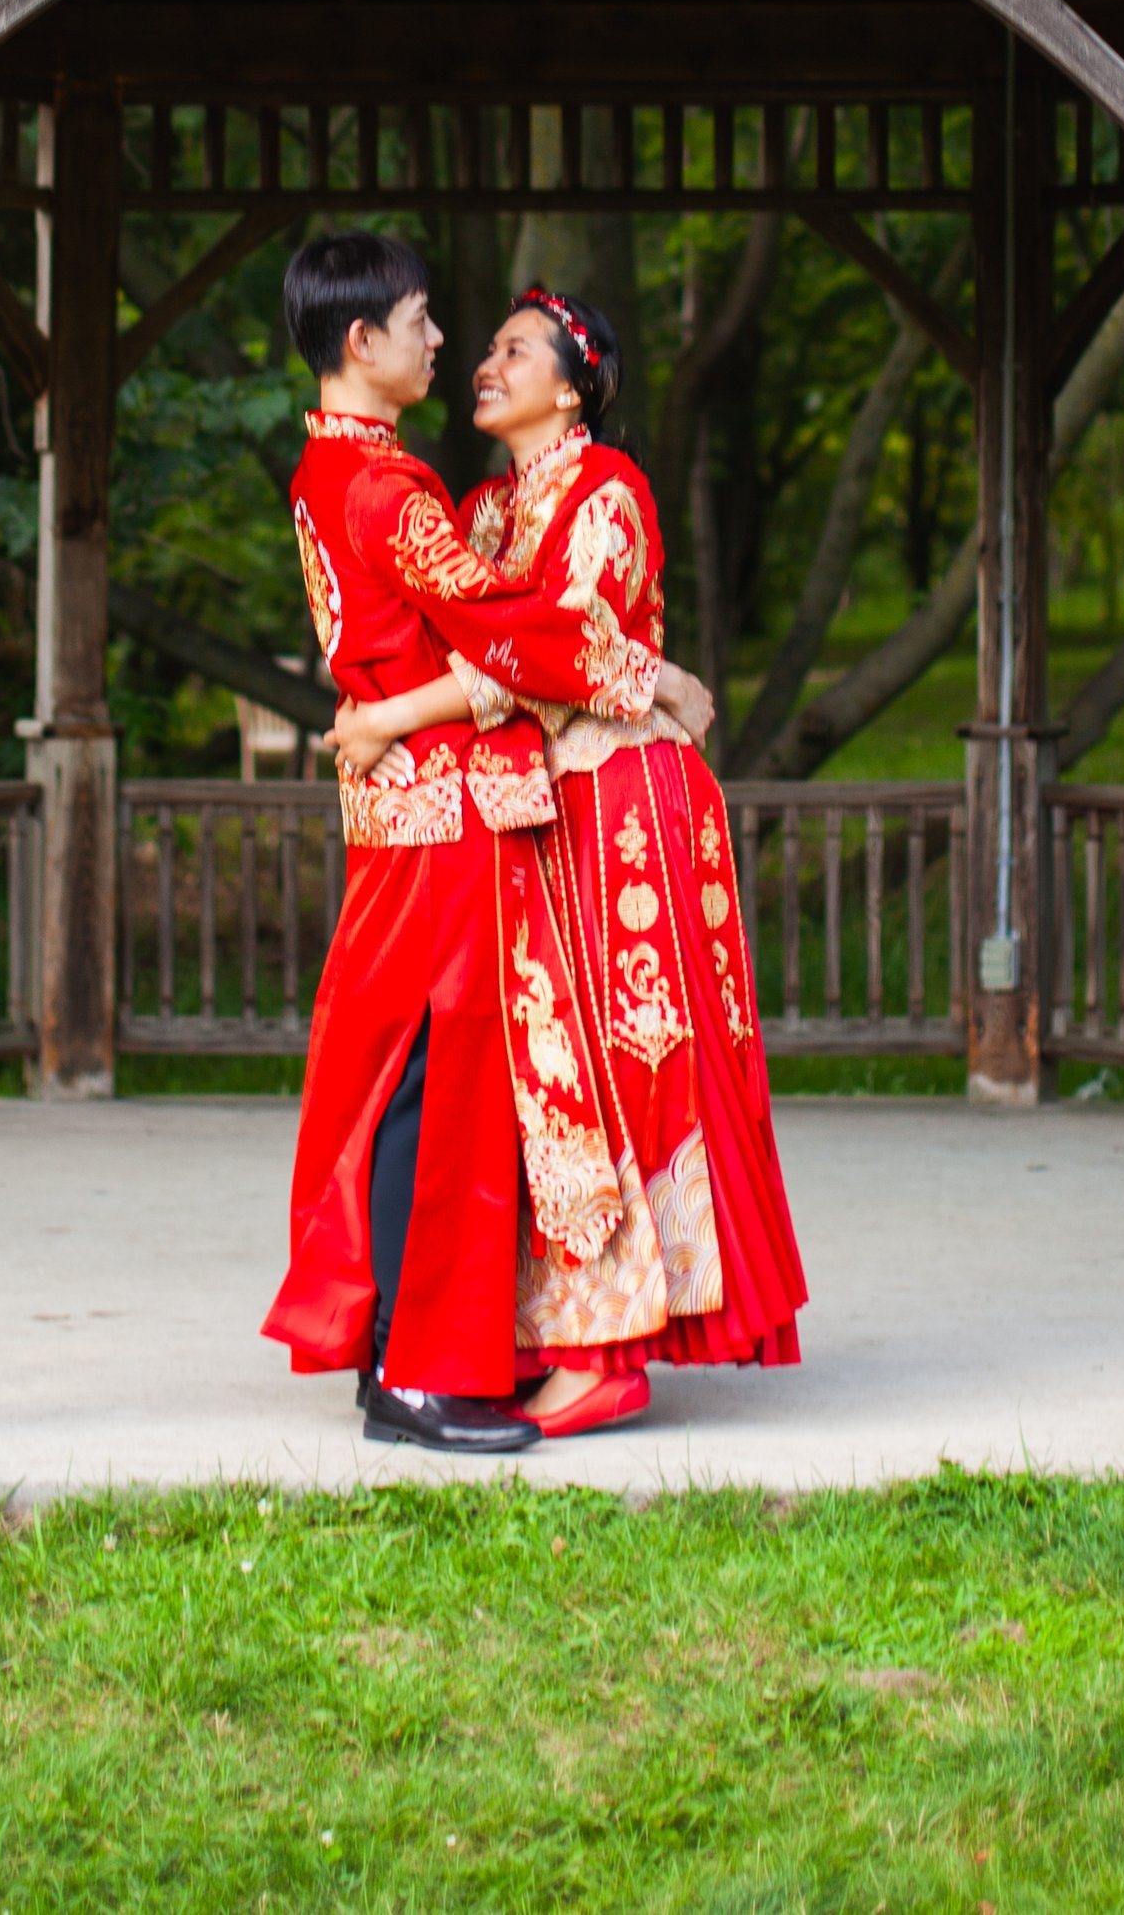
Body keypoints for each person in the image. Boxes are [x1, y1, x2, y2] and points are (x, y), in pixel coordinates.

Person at [261, 232, 714, 1453]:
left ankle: (394, 1357)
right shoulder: (393, 493)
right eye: (420, 320)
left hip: (408, 802)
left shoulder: (327, 473)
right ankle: (420, 1374)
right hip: (452, 810)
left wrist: (382, 711)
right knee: (442, 1099)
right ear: (363, 342)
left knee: (403, 1084)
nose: (441, 341)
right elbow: (511, 626)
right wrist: (647, 671)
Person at [330, 285, 805, 1431]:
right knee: (544, 1081)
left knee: (625, 1064)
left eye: (510, 350)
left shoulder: (611, 489)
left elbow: (557, 657)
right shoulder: (487, 507)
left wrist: (398, 719)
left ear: (573, 383)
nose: (481, 364)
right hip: (534, 803)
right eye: (481, 348)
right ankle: (539, 1328)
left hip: (620, 802)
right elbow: (458, 636)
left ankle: (612, 1350)